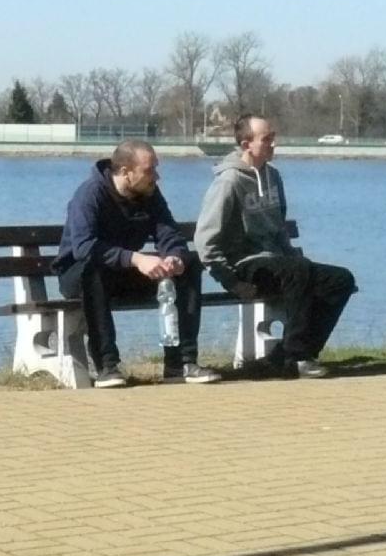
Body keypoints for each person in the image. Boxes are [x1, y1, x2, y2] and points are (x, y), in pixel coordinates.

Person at [194, 115, 357, 379]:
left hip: (281, 263)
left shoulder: (273, 176)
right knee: (297, 270)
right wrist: (231, 282)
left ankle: (284, 355)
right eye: (266, 139)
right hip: (246, 266)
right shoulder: (229, 182)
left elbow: (279, 227)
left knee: (340, 279)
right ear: (246, 145)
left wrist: (292, 255)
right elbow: (205, 239)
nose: (273, 144)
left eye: (273, 138)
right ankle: (296, 358)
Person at [53, 140, 218, 388]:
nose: (157, 177)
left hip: (123, 272)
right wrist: (137, 259)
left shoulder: (150, 194)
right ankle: (107, 366)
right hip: (79, 273)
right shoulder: (90, 194)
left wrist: (174, 257)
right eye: (149, 170)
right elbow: (85, 247)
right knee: (93, 272)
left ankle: (181, 363)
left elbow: (169, 233)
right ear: (125, 171)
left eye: (156, 169)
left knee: (189, 266)